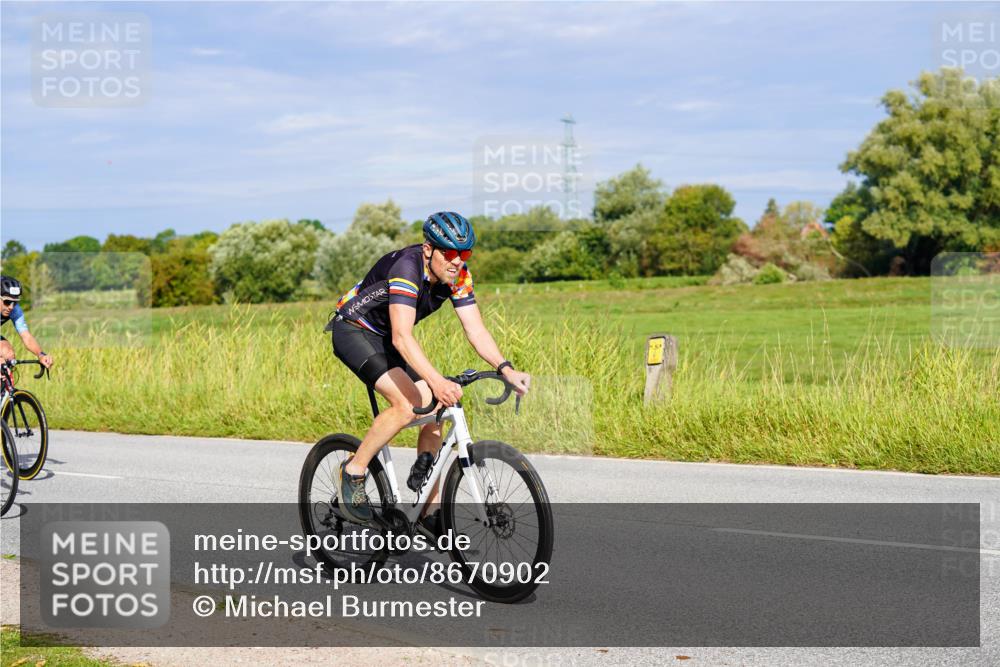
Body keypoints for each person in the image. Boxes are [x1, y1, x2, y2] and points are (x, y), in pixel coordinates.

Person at [326, 211, 530, 528]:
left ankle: (429, 511)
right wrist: (436, 381)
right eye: (449, 253)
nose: (457, 261)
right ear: (428, 250)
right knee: (407, 406)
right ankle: (353, 471)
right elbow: (402, 336)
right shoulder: (406, 269)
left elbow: (475, 329)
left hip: (389, 338)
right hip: (355, 330)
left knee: (439, 404)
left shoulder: (458, 275)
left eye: (465, 254)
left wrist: (505, 368)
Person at [0, 276, 54, 369]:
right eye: (7, 302)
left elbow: (26, 336)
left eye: (15, 302)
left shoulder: (15, 310)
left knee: (8, 354)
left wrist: (40, 354)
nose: (11, 307)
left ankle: (5, 382)